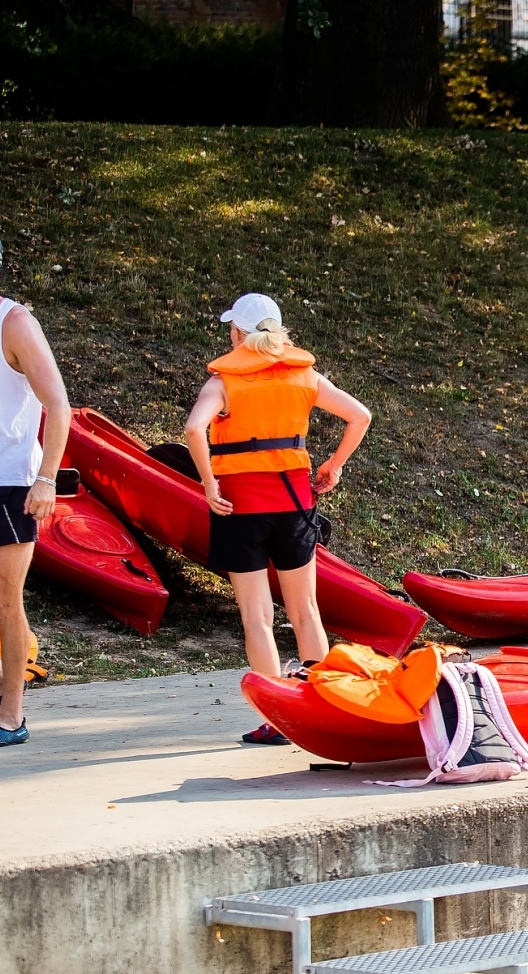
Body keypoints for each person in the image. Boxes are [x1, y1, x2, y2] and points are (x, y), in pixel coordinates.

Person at [184, 293, 371, 746]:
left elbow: (193, 429)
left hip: (240, 509)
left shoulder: (225, 381)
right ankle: (326, 709)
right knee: (306, 611)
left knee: (258, 617)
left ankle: (277, 720)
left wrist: (209, 484)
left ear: (237, 334)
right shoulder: (304, 375)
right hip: (294, 506)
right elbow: (360, 416)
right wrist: (334, 465)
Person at [0, 226, 70, 750]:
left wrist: (46, 478)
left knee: (3, 598)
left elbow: (59, 404)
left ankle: (11, 715)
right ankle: (1, 679)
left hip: (10, 481)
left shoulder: (15, 322)